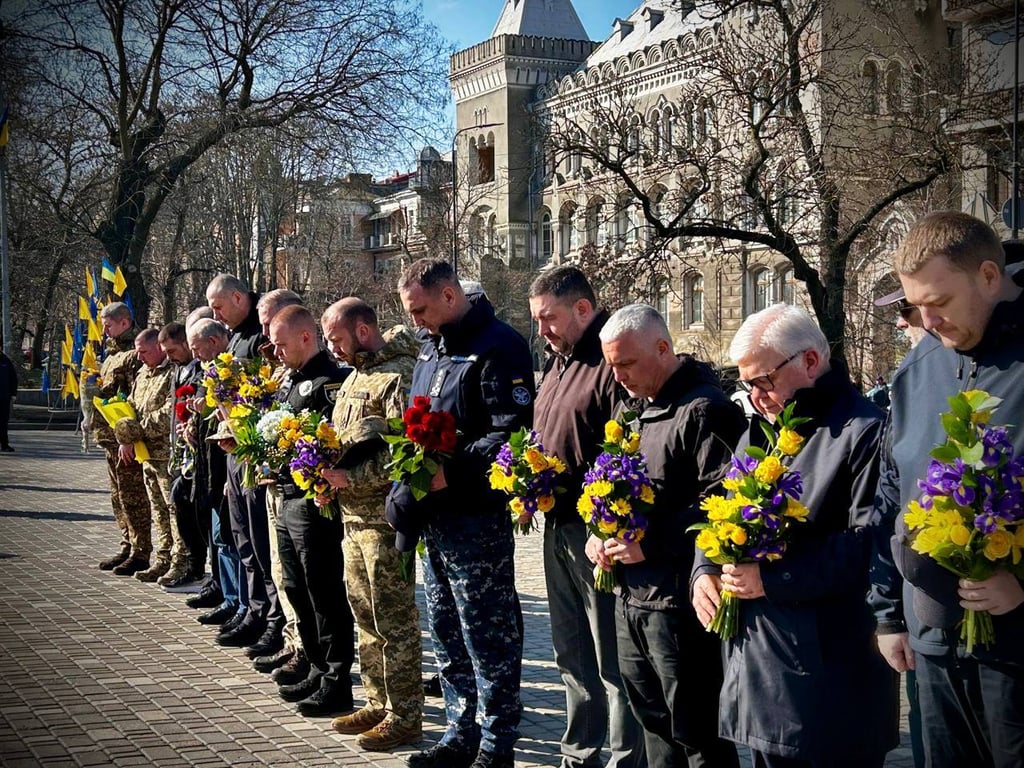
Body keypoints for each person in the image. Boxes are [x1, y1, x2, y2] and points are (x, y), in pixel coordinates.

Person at [691, 304, 899, 768]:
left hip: (830, 676)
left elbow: (870, 545)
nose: (755, 396)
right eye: (745, 385)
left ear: (809, 361)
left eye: (762, 381)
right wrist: (704, 567)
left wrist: (772, 578)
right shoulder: (761, 432)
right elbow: (720, 512)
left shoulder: (863, 431)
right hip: (762, 667)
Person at [871, 211, 1024, 768]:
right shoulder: (919, 368)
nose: (927, 321)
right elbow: (893, 493)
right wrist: (888, 614)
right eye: (916, 306)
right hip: (935, 645)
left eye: (939, 302)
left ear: (988, 276)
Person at [388, 259, 533, 768]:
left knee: (486, 633)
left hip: (476, 518)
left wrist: (453, 473)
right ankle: (461, 730)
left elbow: (509, 433)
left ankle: (496, 743)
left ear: (450, 296)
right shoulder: (432, 348)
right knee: (447, 631)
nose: (415, 322)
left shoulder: (500, 346)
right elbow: (417, 423)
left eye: (420, 310)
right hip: (437, 518)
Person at [589, 303, 744, 768]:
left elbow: (719, 507)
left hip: (679, 606)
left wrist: (650, 543)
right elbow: (613, 487)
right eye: (611, 366)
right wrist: (599, 532)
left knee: (697, 734)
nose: (618, 377)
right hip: (631, 598)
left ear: (663, 348)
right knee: (653, 725)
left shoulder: (706, 411)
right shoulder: (635, 411)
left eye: (626, 364)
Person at [527, 266, 643, 768]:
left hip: (598, 531)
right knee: (571, 652)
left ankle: (622, 758)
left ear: (582, 308)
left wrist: (604, 521)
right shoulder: (557, 364)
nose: (542, 330)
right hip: (557, 526)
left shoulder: (610, 360)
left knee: (611, 659)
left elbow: (625, 449)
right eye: (536, 321)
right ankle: (579, 753)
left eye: (548, 318)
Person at [321, 298, 424, 751]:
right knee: (365, 615)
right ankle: (378, 700)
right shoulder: (355, 377)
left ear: (363, 331)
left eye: (337, 339)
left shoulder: (398, 374)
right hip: (351, 517)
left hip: (383, 521)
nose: (334, 349)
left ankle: (405, 714)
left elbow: (407, 454)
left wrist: (352, 477)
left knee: (394, 619)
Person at [268, 304, 354, 717]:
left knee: (324, 592)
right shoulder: (291, 381)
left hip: (312, 502)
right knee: (297, 588)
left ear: (306, 337)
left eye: (281, 343)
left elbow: (335, 444)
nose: (275, 350)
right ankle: (318, 669)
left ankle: (338, 681)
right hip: (286, 496)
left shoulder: (328, 383)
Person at [205, 274, 283, 650]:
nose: (217, 316)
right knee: (243, 539)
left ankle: (271, 617)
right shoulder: (235, 335)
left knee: (261, 543)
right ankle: (252, 610)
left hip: (257, 452)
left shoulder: (262, 334)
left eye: (219, 306)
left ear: (239, 297)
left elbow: (268, 395)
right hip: (235, 450)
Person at [249, 289, 305, 674]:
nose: (265, 334)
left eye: (269, 325)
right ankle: (292, 640)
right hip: (274, 484)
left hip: (301, 493)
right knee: (281, 572)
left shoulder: (309, 367)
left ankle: (308, 652)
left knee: (304, 582)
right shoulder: (276, 365)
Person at [185, 318, 243, 627]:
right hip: (209, 466)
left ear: (215, 342)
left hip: (227, 468)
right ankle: (226, 594)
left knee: (232, 541)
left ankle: (238, 602)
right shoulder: (207, 370)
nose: (194, 354)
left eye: (197, 347)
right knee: (219, 537)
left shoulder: (232, 369)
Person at [92, 302, 151, 575]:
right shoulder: (111, 355)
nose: (104, 330)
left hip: (126, 439)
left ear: (124, 323)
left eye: (108, 325)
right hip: (110, 439)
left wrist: (128, 437)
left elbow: (134, 399)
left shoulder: (133, 354)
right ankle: (128, 543)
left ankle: (141, 551)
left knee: (134, 496)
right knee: (118, 498)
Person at [115, 328, 176, 583]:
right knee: (158, 512)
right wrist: (125, 436)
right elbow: (131, 406)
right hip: (145, 454)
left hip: (165, 455)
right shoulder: (142, 373)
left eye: (143, 352)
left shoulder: (171, 372)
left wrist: (136, 430)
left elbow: (169, 412)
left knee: (172, 512)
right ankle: (162, 560)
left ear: (159, 348)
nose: (139, 358)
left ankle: (178, 561)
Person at [156, 321, 208, 592]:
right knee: (179, 505)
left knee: (194, 510)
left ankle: (198, 568)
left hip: (196, 456)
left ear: (187, 344)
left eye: (172, 350)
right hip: (179, 452)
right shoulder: (178, 370)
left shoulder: (201, 369)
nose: (168, 357)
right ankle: (193, 566)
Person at [0, 348, 16, 452]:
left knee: (3, 422)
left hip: (4, 397)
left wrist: (13, 393)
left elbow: (13, 377)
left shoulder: (5, 360)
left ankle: (4, 445)